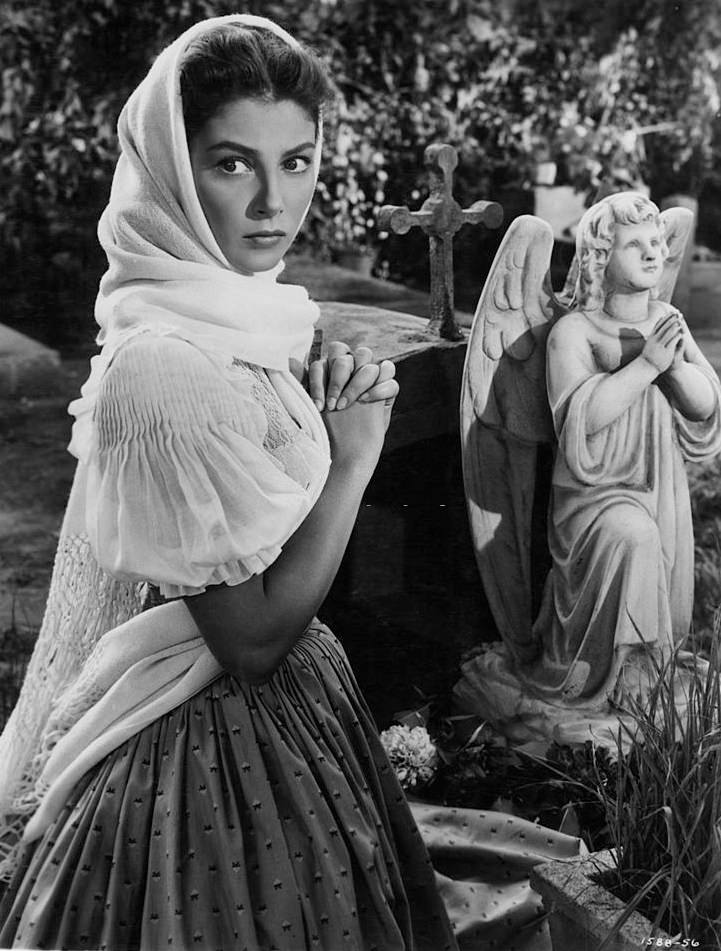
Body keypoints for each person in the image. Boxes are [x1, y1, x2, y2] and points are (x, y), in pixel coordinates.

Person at [0, 15, 457, 950]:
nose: (270, 202)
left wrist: (320, 420)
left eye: (295, 161)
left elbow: (249, 518)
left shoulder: (247, 313)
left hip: (295, 700)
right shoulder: (162, 364)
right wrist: (353, 456)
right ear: (171, 168)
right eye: (231, 163)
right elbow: (247, 638)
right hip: (194, 749)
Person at [529, 191, 721, 702]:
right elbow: (581, 419)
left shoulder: (666, 318)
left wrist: (675, 364)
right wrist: (647, 365)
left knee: (653, 547)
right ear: (598, 258)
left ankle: (647, 662)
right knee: (632, 537)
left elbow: (704, 406)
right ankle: (617, 671)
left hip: (658, 486)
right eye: (634, 244)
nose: (654, 252)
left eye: (657, 242)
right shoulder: (574, 332)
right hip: (594, 497)